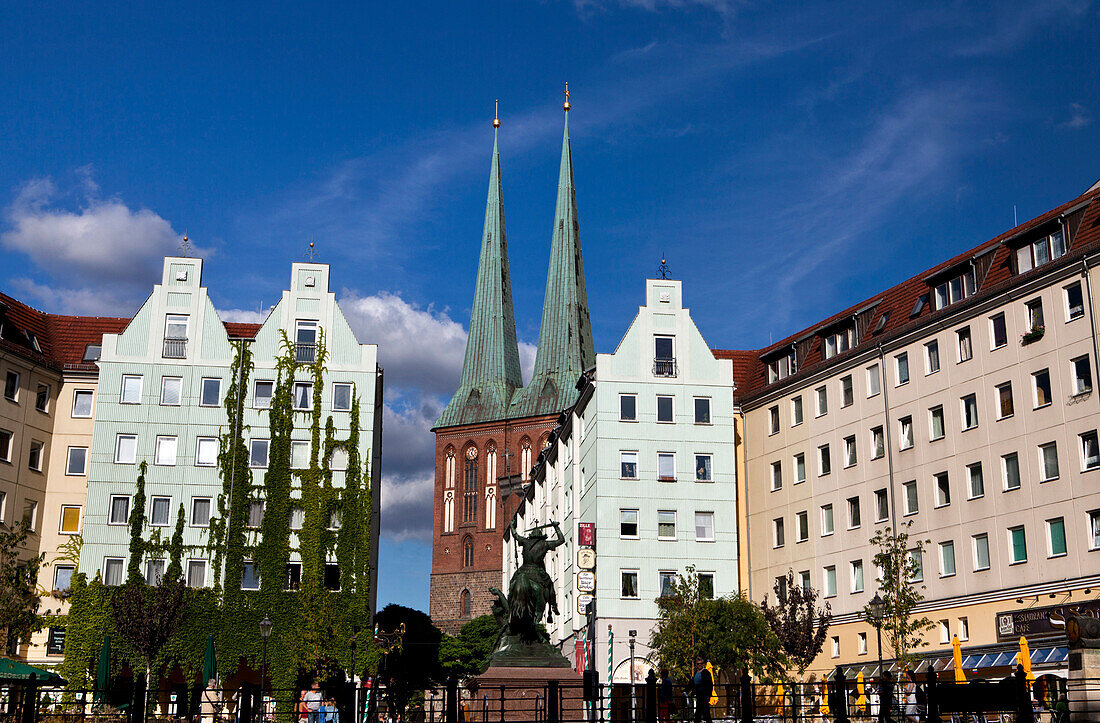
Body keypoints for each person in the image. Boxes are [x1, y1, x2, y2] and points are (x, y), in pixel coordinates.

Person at [691, 658, 713, 723]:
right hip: (698, 695)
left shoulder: (706, 672)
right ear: (696, 664)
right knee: (699, 712)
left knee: (705, 712)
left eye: (701, 663)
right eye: (698, 664)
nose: (699, 665)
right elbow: (692, 682)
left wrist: (708, 695)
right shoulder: (695, 673)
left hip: (704, 694)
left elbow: (710, 684)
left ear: (703, 664)